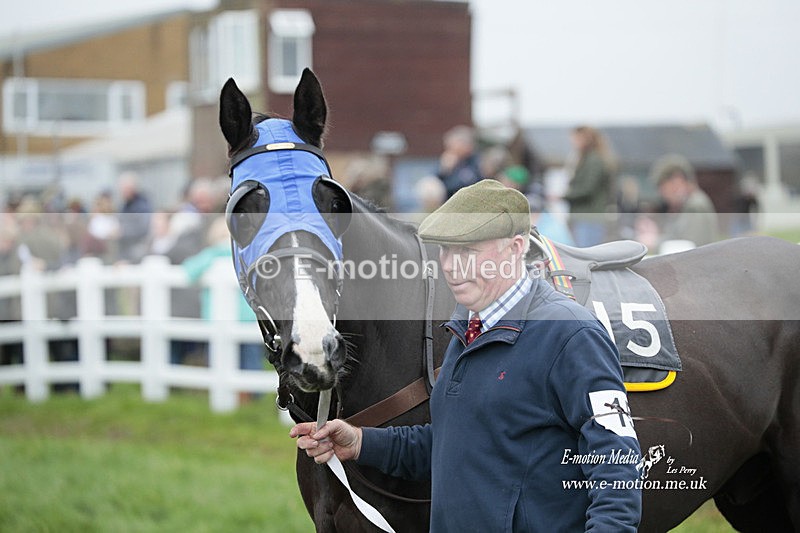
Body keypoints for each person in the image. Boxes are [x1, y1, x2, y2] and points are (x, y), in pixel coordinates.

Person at [291, 179, 642, 531]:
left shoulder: (571, 334)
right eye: (445, 250)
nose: (451, 266)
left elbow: (618, 464)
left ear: (516, 248)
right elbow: (452, 443)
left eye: (468, 252)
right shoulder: (466, 327)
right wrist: (360, 442)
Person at [563, 126, 616, 246]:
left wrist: (564, 196)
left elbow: (587, 189)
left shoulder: (594, 160)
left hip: (589, 217)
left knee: (586, 253)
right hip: (585, 217)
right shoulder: (587, 159)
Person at [650, 154, 718, 248]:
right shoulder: (687, 205)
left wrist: (654, 242)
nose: (662, 195)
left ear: (677, 180)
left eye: (663, 188)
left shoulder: (696, 206)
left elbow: (689, 249)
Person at [436, 125, 481, 198]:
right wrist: (444, 170)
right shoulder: (447, 160)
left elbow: (461, 185)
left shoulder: (474, 161)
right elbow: (435, 181)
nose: (449, 149)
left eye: (453, 145)